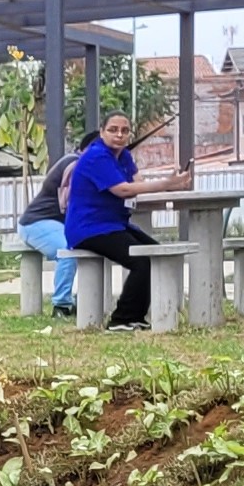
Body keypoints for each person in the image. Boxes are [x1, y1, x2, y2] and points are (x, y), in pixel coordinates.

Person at [64, 110, 194, 329]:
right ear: (102, 132)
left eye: (124, 130)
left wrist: (171, 182)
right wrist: (166, 184)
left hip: (114, 225)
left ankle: (136, 317)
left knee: (155, 254)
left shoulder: (122, 155)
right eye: (113, 130)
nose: (119, 135)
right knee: (142, 260)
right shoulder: (96, 156)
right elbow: (123, 190)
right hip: (89, 228)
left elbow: (138, 183)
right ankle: (121, 319)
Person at [17, 149, 82, 314]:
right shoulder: (74, 164)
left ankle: (88, 300)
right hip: (36, 223)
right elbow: (68, 203)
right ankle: (62, 305)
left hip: (58, 224)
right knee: (68, 251)